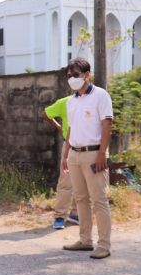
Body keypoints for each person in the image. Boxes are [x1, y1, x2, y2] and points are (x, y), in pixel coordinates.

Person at [61, 58, 114, 259]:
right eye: (69, 76)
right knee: (80, 198)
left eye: (76, 75)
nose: (72, 79)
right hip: (75, 154)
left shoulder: (101, 95)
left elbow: (107, 125)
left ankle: (104, 245)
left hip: (94, 154)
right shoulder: (71, 101)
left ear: (87, 75)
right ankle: (85, 240)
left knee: (99, 200)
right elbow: (71, 130)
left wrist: (102, 153)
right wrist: (66, 155)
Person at [43, 95, 79, 229]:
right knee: (66, 183)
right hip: (70, 145)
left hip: (88, 147)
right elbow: (46, 114)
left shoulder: (92, 101)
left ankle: (76, 215)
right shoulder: (64, 102)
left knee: (83, 184)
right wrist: (59, 127)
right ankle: (59, 217)